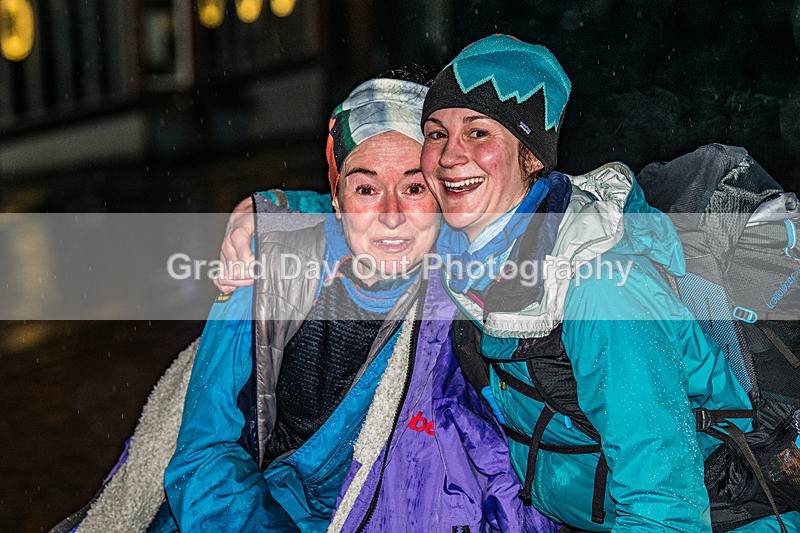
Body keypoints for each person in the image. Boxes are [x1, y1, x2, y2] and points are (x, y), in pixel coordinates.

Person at [219, 35, 799, 532]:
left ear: (531, 157)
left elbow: (663, 505)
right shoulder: (472, 246)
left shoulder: (601, 290)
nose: (451, 156)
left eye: (478, 133)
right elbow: (378, 213)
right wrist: (268, 212)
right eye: (437, 133)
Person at [164, 72, 554, 532]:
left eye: (414, 188)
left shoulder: (466, 287)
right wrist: (271, 215)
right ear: (337, 196)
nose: (391, 216)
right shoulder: (265, 265)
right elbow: (206, 452)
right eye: (366, 190)